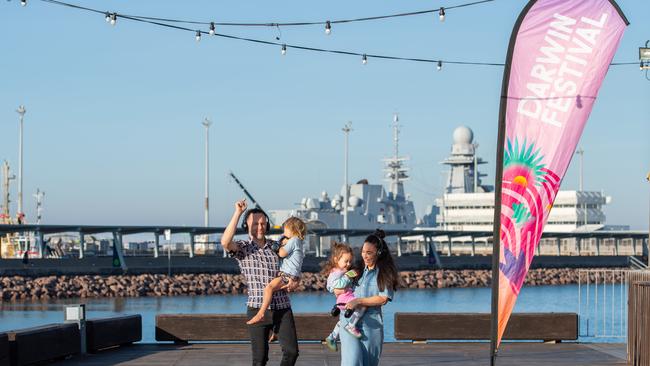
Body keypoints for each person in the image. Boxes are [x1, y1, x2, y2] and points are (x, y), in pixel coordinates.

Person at [221, 199, 299, 366]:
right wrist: (238, 212)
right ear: (246, 226)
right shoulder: (243, 248)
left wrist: (295, 281)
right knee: (260, 359)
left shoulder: (276, 246)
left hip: (282, 306)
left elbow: (293, 267)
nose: (260, 226)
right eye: (255, 223)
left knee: (292, 352)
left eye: (263, 223)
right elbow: (225, 242)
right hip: (257, 308)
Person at [339, 229, 401, 366]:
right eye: (363, 252)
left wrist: (358, 301)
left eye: (369, 253)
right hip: (349, 322)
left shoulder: (385, 273)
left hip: (371, 326)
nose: (364, 256)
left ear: (378, 253)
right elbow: (338, 285)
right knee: (351, 362)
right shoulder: (356, 270)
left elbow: (383, 298)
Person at [247, 216, 306, 325]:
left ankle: (260, 313)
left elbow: (282, 253)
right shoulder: (299, 242)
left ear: (292, 229)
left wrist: (277, 247)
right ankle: (275, 331)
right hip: (293, 275)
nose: (283, 232)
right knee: (276, 295)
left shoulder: (294, 240)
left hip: (288, 275)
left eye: (285, 230)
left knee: (268, 289)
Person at [322, 242, 366, 352]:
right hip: (344, 298)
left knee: (342, 321)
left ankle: (332, 337)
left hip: (344, 298)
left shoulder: (340, 271)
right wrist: (347, 276)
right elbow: (335, 285)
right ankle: (351, 325)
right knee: (362, 306)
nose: (348, 264)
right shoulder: (337, 272)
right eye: (346, 261)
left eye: (350, 261)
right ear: (337, 259)